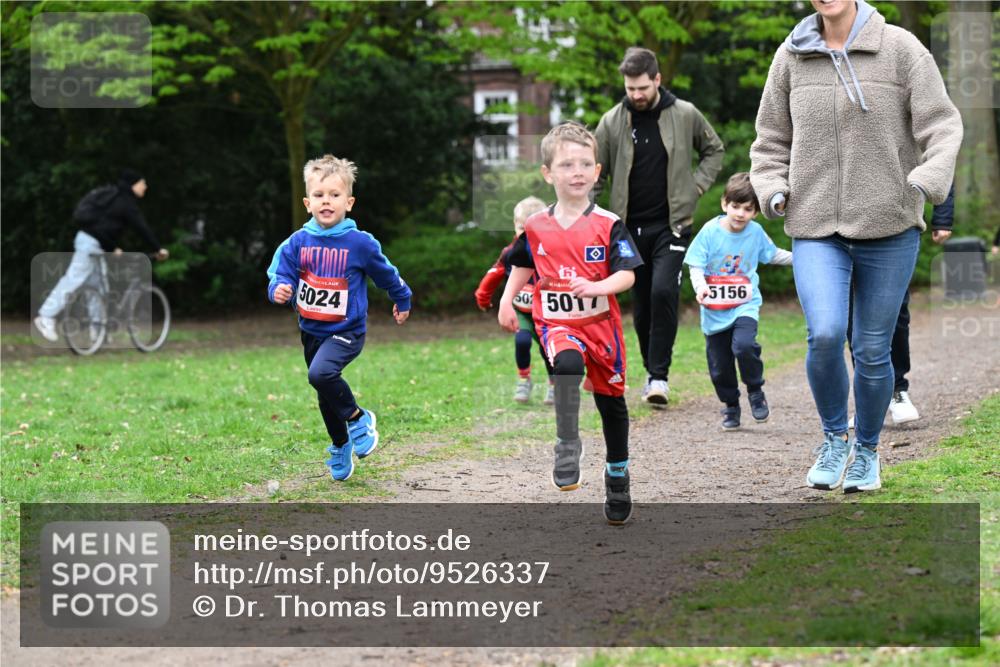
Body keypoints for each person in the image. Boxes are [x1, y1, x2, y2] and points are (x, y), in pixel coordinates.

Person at [751, 0, 962, 493]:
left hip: (889, 226)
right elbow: (769, 140)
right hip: (814, 224)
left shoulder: (901, 49)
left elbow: (943, 125)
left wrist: (925, 181)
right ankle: (833, 439)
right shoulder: (791, 55)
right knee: (824, 333)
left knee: (871, 349)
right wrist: (773, 187)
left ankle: (867, 451)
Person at [497, 122, 643, 525]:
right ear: (548, 173)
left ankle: (617, 473)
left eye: (584, 164)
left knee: (611, 403)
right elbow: (522, 265)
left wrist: (597, 284)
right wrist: (507, 302)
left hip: (601, 326)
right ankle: (567, 441)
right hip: (556, 323)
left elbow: (628, 275)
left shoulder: (609, 223)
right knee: (565, 365)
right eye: (566, 164)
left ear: (597, 171)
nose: (576, 172)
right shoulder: (536, 226)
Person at [267, 155, 411, 482]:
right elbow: (280, 275)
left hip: (346, 331)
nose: (326, 201)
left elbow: (386, 274)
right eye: (319, 195)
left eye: (334, 195)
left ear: (349, 201)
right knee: (324, 390)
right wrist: (278, 289)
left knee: (320, 374)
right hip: (312, 331)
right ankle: (340, 443)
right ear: (307, 203)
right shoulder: (297, 243)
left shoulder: (360, 243)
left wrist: (402, 297)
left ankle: (359, 418)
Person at [595, 46, 724, 407]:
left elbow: (714, 150)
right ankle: (651, 372)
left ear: (657, 80)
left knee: (663, 292)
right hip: (628, 230)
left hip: (672, 225)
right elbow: (597, 172)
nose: (636, 95)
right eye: (630, 88)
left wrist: (696, 186)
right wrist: (586, 213)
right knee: (642, 303)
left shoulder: (684, 114)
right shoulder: (611, 121)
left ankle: (659, 377)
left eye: (642, 88)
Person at [683, 173, 793, 430]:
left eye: (747, 209)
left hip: (745, 304)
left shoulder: (755, 233)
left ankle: (755, 390)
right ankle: (731, 405)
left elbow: (772, 254)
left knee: (744, 346)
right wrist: (700, 288)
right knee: (720, 368)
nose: (740, 213)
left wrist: (802, 257)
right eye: (735, 206)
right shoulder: (710, 231)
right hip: (714, 310)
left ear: (755, 212)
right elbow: (696, 265)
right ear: (724, 204)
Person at [847, 183, 956, 425]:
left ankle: (897, 390)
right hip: (843, 230)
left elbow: (938, 161)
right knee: (852, 317)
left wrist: (943, 217)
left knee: (894, 315)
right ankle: (868, 399)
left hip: (896, 230)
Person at [33, 169, 169, 342]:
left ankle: (98, 332)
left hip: (94, 243)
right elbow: (142, 228)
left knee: (98, 287)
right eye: (143, 183)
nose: (145, 187)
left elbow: (103, 227)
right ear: (133, 185)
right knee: (73, 279)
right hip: (90, 244)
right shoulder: (126, 203)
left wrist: (111, 248)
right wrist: (158, 248)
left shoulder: (115, 199)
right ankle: (46, 316)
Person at [474, 196, 555, 404]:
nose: (526, 235)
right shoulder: (509, 253)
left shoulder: (552, 251)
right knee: (522, 340)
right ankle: (524, 380)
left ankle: (554, 384)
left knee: (549, 350)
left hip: (547, 312)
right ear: (514, 226)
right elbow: (494, 274)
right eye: (522, 228)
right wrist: (483, 297)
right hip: (522, 312)